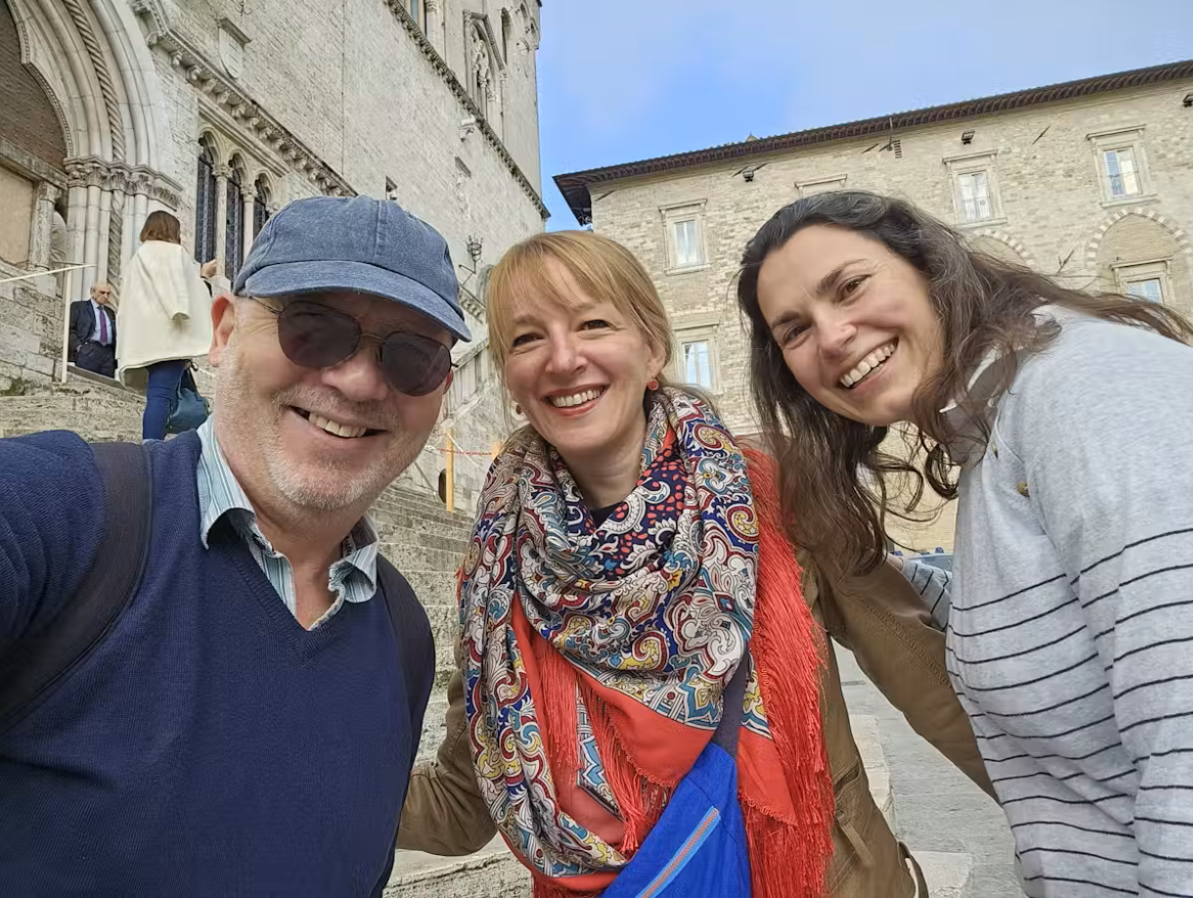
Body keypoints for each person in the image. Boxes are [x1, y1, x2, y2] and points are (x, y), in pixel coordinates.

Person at [398, 230, 993, 898]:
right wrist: (309, 777)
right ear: (509, 378)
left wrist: (1067, 818)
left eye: (593, 324)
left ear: (651, 346)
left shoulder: (771, 485)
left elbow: (926, 682)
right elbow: (464, 803)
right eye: (527, 339)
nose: (563, 359)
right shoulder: (496, 567)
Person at [0, 196, 467, 896]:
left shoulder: (403, 634)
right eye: (313, 328)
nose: (359, 381)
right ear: (221, 331)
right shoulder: (61, 514)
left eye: (412, 356)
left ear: (441, 390)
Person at [737, 190, 1193, 897]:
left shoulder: (1084, 392)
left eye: (850, 287)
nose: (831, 337)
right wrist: (870, 569)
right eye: (794, 329)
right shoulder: (995, 426)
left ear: (928, 266)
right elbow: (1063, 618)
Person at [116, 211, 214, 440]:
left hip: (146, 340)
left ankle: (170, 444)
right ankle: (152, 448)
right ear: (172, 230)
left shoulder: (138, 258)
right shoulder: (175, 253)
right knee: (161, 396)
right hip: (172, 338)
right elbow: (184, 295)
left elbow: (129, 304)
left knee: (165, 394)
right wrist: (204, 277)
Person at [68, 282, 118, 377]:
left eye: (108, 293)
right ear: (92, 292)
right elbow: (70, 329)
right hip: (89, 349)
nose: (105, 296)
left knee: (106, 383)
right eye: (102, 292)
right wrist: (79, 348)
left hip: (108, 354)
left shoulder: (110, 312)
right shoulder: (79, 307)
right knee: (85, 380)